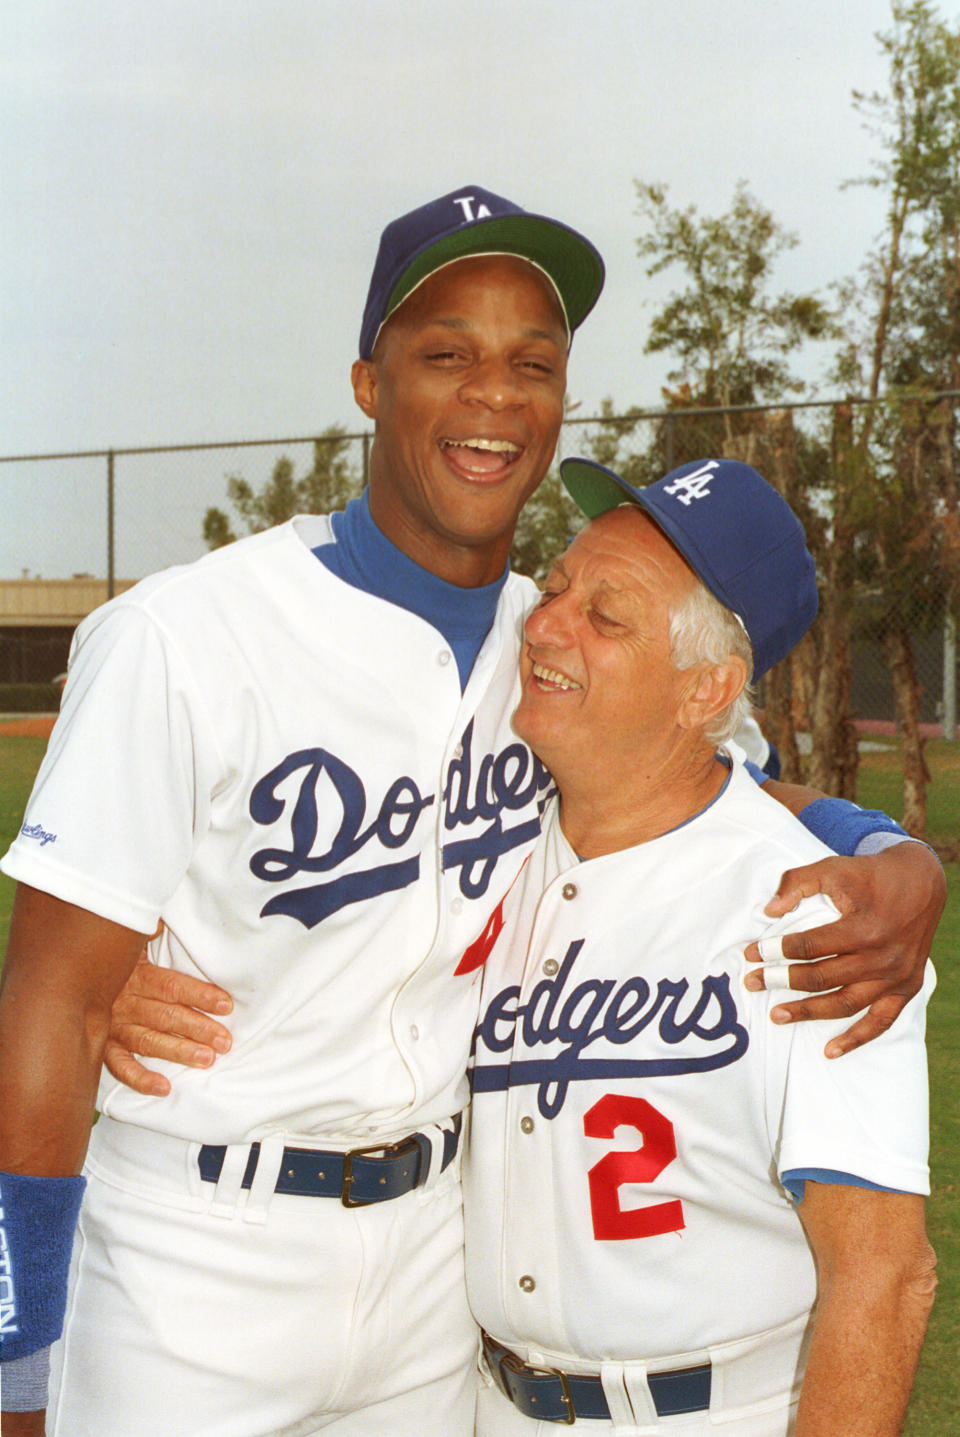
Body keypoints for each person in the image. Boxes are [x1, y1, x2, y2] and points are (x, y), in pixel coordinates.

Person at [0, 187, 942, 1437]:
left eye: (532, 364)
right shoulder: (184, 636)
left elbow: (727, 792)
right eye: (445, 353)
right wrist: (17, 1371)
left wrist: (895, 854)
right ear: (368, 381)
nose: (494, 394)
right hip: (192, 1252)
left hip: (440, 1283)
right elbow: (49, 1005)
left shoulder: (546, 656)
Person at [465, 457, 937, 1436]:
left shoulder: (815, 916)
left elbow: (884, 1278)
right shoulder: (483, 857)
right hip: (487, 1406)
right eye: (555, 588)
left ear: (705, 688)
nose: (545, 624)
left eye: (607, 616)